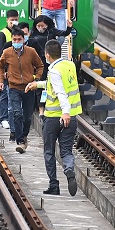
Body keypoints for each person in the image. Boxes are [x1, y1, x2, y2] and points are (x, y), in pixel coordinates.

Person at [25, 39, 81, 196]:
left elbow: (61, 92)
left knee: (49, 151)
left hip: (55, 118)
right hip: (72, 116)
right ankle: (69, 168)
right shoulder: (69, 65)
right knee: (66, 150)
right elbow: (56, 85)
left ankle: (54, 185)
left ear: (47, 54)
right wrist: (38, 84)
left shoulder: (54, 70)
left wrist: (65, 112)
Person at [0, 29, 44, 153]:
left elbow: (40, 65)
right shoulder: (7, 52)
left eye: (19, 39)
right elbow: (0, 66)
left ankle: (24, 135)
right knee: (16, 113)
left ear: (24, 40)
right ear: (11, 40)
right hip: (13, 87)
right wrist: (1, 81)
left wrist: (36, 79)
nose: (16, 42)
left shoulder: (31, 52)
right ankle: (20, 141)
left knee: (27, 117)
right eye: (14, 40)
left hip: (29, 87)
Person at [28, 15, 73, 118]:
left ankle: (53, 106)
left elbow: (64, 33)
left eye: (42, 25)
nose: (40, 28)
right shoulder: (32, 33)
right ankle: (41, 109)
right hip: (39, 63)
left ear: (47, 25)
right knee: (40, 85)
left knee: (52, 84)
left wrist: (69, 27)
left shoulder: (52, 31)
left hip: (51, 61)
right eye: (38, 25)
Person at [0, 10, 20, 132]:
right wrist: (2, 71)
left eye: (16, 19)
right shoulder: (2, 34)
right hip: (6, 70)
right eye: (11, 20)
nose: (14, 22)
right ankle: (3, 118)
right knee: (5, 94)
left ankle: (11, 119)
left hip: (16, 70)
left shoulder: (18, 34)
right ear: (7, 20)